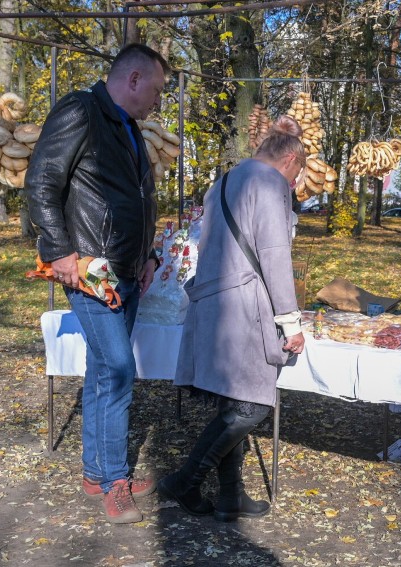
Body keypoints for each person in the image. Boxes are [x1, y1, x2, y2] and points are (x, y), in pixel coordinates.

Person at [25, 44, 169, 523]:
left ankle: (95, 472)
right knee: (120, 368)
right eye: (157, 89)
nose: (159, 100)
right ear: (132, 79)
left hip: (127, 270)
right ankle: (113, 481)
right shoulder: (80, 111)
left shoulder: (128, 128)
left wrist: (148, 254)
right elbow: (41, 182)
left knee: (105, 372)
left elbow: (140, 199)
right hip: (89, 269)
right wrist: (59, 251)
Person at [158, 115, 306, 522]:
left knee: (233, 399)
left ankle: (230, 496)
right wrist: (290, 322)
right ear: (290, 159)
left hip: (212, 302)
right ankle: (185, 481)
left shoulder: (221, 182)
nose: (294, 183)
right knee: (252, 406)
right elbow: (275, 254)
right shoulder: (270, 183)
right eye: (297, 173)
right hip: (244, 306)